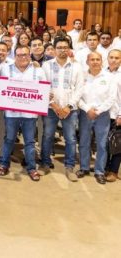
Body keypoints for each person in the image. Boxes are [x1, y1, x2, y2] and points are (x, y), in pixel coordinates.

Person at [0, 45, 47, 182]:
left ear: (30, 55)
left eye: (25, 54)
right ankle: (4, 164)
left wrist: (47, 94)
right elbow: (0, 87)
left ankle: (31, 168)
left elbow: (44, 89)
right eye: (19, 55)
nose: (22, 57)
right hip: (11, 113)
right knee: (9, 139)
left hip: (30, 115)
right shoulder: (5, 69)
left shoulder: (38, 71)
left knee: (30, 141)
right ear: (15, 56)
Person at [39, 37, 84, 181]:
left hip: (70, 109)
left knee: (70, 138)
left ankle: (69, 167)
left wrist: (68, 106)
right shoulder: (46, 65)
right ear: (54, 49)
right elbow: (43, 86)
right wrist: (54, 105)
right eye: (59, 47)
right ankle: (45, 164)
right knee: (47, 136)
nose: (62, 50)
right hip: (50, 108)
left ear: (69, 49)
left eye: (65, 47)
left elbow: (79, 89)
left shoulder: (77, 66)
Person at [77, 51, 116, 184]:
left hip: (102, 115)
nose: (95, 62)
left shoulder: (109, 77)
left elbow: (112, 98)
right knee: (84, 142)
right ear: (87, 62)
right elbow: (77, 96)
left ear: (101, 61)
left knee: (102, 144)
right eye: (92, 59)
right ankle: (84, 167)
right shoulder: (82, 76)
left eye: (97, 59)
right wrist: (87, 109)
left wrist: (98, 111)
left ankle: (99, 171)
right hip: (85, 114)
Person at [105, 49, 121, 182]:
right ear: (107, 58)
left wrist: (120, 115)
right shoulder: (102, 73)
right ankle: (104, 168)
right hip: (104, 114)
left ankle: (113, 171)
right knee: (104, 143)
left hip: (117, 114)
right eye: (111, 57)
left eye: (117, 58)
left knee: (117, 144)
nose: (114, 60)